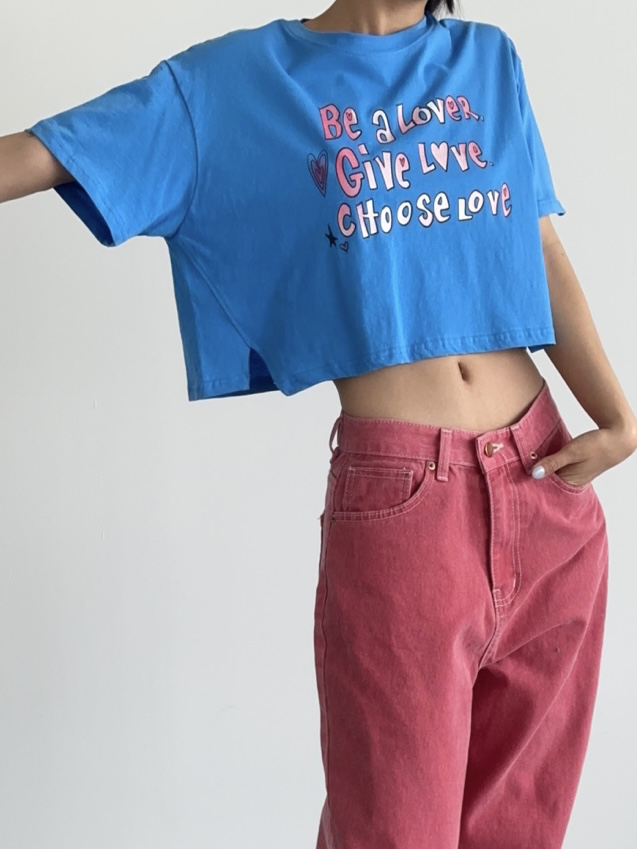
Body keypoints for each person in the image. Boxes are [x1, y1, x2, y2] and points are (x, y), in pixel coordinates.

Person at [1, 0, 635, 846]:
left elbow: (536, 242)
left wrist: (616, 415)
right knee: (391, 831)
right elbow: (45, 153)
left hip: (544, 479)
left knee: (520, 830)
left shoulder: (487, 59)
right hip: (407, 507)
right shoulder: (237, 84)